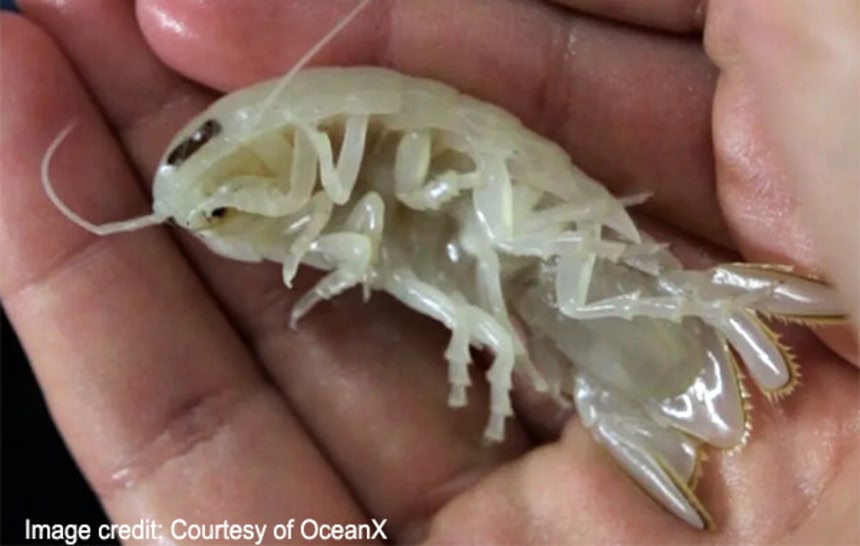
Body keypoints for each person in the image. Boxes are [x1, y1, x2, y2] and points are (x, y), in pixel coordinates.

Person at [0, 0, 856, 543]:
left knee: (542, 272)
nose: (221, 203)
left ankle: (687, 326)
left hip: (516, 227)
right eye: (218, 214)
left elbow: (400, 177)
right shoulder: (307, 213)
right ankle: (652, 361)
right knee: (514, 297)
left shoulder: (334, 134)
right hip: (497, 268)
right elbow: (375, 248)